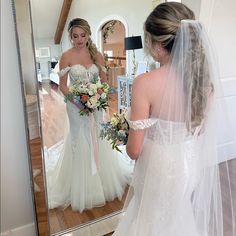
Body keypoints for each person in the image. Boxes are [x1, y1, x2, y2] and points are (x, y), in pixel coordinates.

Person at [113, 2, 235, 236]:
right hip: (188, 165)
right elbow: (200, 131)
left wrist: (127, 134)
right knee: (177, 217)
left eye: (148, 39)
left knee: (149, 221)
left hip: (158, 169)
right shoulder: (204, 83)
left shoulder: (145, 83)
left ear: (159, 45)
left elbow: (134, 151)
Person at [46, 18, 132, 212]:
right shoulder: (66, 56)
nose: (79, 39)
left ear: (88, 35)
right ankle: (80, 184)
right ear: (70, 36)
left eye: (82, 35)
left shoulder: (97, 55)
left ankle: (100, 178)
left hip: (96, 106)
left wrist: (96, 99)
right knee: (80, 138)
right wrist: (78, 101)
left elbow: (103, 83)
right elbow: (62, 86)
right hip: (75, 107)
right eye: (75, 36)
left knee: (97, 137)